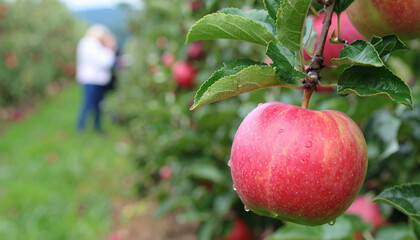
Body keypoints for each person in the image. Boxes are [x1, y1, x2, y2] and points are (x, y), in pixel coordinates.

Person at [76, 24, 116, 133]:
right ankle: (81, 127)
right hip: (92, 79)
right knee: (89, 104)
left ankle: (95, 126)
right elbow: (104, 62)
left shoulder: (86, 43)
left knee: (97, 105)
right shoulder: (92, 44)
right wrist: (109, 49)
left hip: (92, 79)